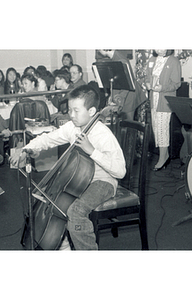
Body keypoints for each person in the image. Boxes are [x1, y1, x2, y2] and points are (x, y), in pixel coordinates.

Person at [9, 85, 126, 250]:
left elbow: (120, 171)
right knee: (54, 202)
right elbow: (48, 139)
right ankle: (64, 244)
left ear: (92, 111)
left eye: (76, 111)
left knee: (76, 212)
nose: (71, 115)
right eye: (70, 110)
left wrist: (91, 150)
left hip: (103, 181)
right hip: (79, 180)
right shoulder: (73, 127)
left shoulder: (103, 134)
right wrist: (26, 149)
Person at [145, 49, 181, 171]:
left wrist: (162, 88)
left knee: (162, 129)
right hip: (153, 100)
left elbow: (176, 84)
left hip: (164, 101)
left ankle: (162, 158)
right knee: (156, 128)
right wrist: (147, 84)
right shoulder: (151, 60)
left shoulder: (173, 61)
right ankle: (164, 155)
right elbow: (147, 77)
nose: (159, 48)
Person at [96, 50, 147, 121]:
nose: (98, 50)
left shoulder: (120, 60)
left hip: (128, 97)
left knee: (127, 124)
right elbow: (117, 81)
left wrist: (118, 101)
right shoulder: (116, 57)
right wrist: (112, 96)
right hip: (125, 95)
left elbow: (126, 84)